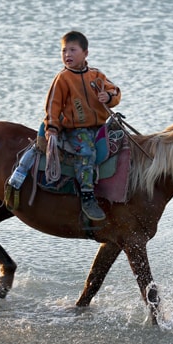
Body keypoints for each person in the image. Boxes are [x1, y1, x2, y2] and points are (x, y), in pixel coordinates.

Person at [43, 31, 121, 221]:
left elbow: (115, 91)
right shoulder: (63, 78)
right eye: (64, 51)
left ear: (85, 53)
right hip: (76, 129)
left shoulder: (97, 75)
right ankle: (87, 196)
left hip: (100, 126)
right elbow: (53, 104)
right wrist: (51, 127)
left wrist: (109, 97)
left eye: (72, 50)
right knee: (87, 152)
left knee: (124, 143)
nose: (67, 54)